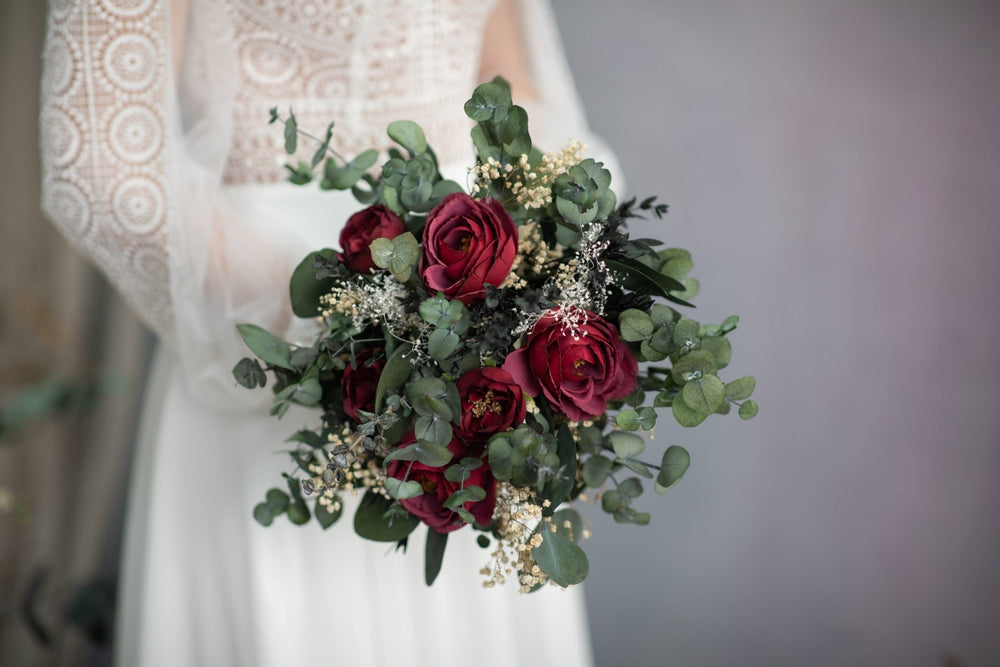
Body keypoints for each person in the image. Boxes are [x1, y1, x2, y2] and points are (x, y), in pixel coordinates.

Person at [40, 1, 611, 664]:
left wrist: (547, 288)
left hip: (484, 326)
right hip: (259, 325)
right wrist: (345, 330)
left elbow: (513, 89)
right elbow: (98, 166)